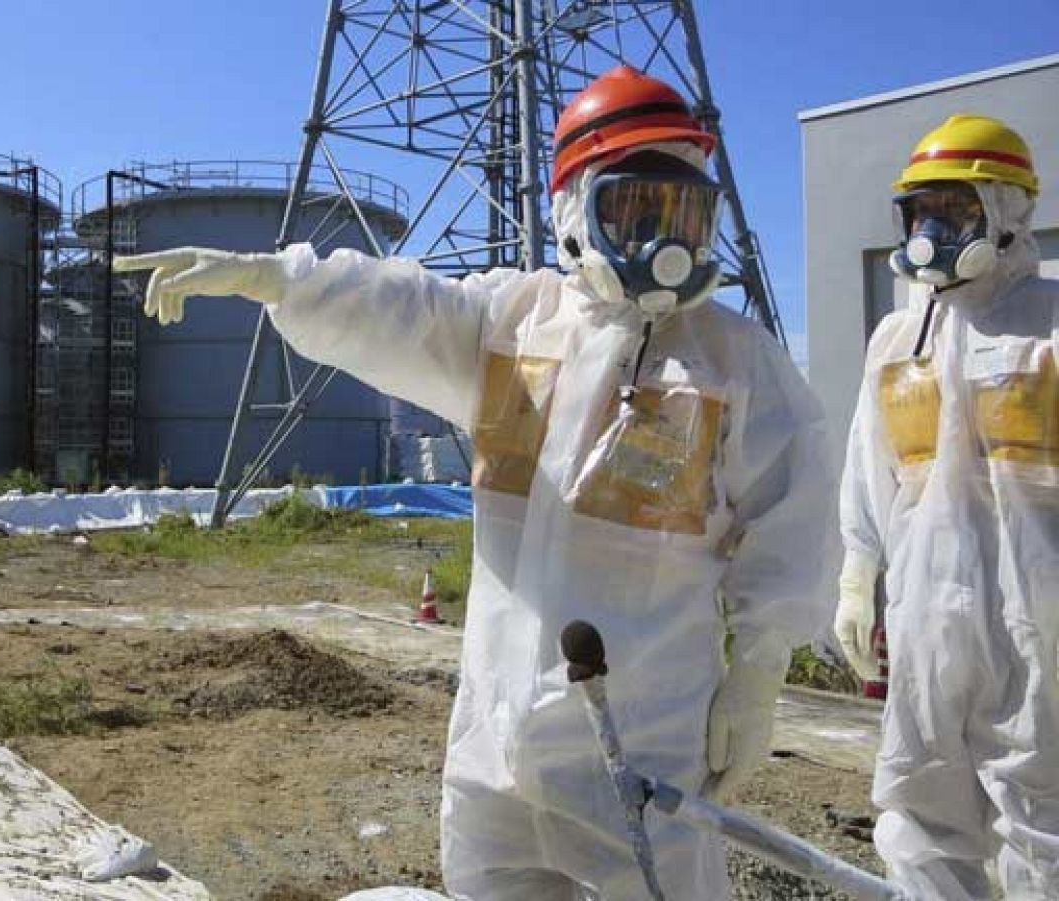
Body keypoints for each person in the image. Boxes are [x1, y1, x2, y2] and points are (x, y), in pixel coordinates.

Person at [115, 65, 836, 899]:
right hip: (497, 745)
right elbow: (401, 307)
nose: (659, 240)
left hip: (644, 745)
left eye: (681, 214)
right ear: (575, 211)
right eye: (634, 208)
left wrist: (758, 671)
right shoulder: (512, 326)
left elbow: (792, 522)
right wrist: (277, 278)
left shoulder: (733, 364)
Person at [834, 113, 1059, 900]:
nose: (932, 233)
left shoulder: (1050, 325)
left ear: (1007, 212)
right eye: (920, 213)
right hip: (925, 617)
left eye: (954, 212)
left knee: (1043, 819)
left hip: (1039, 620)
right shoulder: (900, 340)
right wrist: (859, 570)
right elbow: (870, 464)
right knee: (918, 804)